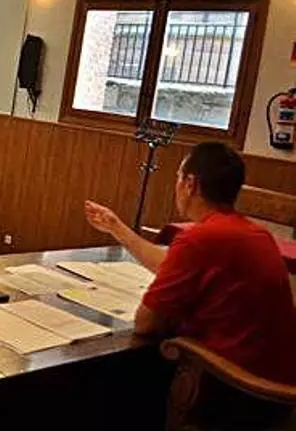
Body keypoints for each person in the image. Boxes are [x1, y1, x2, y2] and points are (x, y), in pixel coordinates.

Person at [84, 142, 296, 429]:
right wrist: (117, 228)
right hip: (280, 392)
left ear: (190, 184)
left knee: (117, 380)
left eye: (178, 177)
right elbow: (170, 264)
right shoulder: (255, 234)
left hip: (239, 390)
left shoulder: (200, 238)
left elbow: (145, 324)